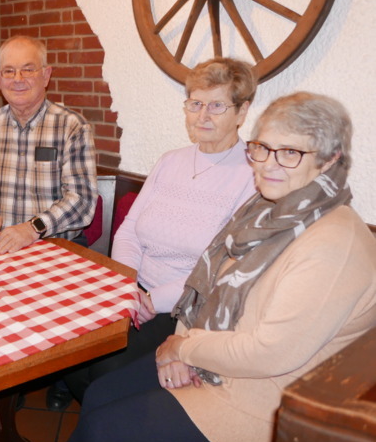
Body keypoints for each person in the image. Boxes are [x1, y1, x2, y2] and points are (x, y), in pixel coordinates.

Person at [68, 92, 376, 442]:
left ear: (329, 158)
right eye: (263, 148)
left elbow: (268, 353)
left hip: (261, 397)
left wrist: (182, 349)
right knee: (101, 394)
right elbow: (206, 283)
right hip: (213, 355)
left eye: (290, 152)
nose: (269, 164)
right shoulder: (263, 209)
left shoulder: (334, 243)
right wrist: (181, 344)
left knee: (104, 428)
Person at [64, 57, 258, 403]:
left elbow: (221, 268)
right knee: (70, 350)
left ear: (242, 112)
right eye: (195, 104)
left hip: (183, 309)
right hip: (133, 289)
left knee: (106, 373)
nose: (202, 115)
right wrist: (127, 286)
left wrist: (153, 300)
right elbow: (128, 231)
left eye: (217, 106)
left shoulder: (252, 176)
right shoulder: (171, 161)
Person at [0, 35, 97, 410]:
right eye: (9, 71)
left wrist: (32, 229)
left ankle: (62, 373)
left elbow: (82, 202)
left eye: (28, 69)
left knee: (61, 322)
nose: (18, 79)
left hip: (56, 248)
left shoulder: (72, 127)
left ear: (46, 75)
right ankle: (5, 383)